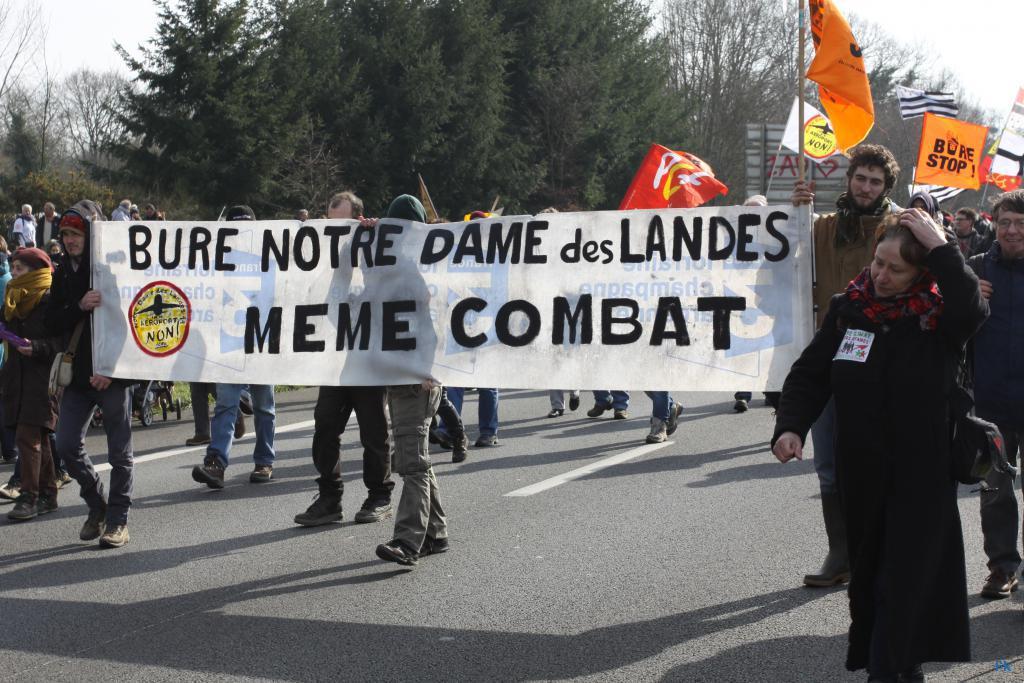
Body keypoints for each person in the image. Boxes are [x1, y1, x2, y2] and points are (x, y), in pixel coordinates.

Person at [772, 209, 986, 681]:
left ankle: (887, 674)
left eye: (896, 268)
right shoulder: (849, 309)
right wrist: (791, 426)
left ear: (922, 272)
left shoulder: (941, 318)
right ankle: (900, 669)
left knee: (904, 583)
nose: (881, 275)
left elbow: (973, 306)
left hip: (922, 477)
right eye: (877, 262)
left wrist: (941, 246)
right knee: (871, 583)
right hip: (863, 474)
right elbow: (810, 374)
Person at [790, 143, 901, 588]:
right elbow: (784, 260)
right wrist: (796, 212)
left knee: (882, 460)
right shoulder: (824, 227)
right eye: (860, 178)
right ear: (849, 178)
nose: (866, 187)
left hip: (883, 363)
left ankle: (884, 551)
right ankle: (841, 555)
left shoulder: (900, 229)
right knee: (829, 464)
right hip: (831, 356)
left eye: (875, 181)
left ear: (885, 187)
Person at [293, 190, 395, 527]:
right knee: (325, 424)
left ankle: (379, 494)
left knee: (373, 429)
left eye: (343, 224)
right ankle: (329, 497)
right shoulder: (324, 250)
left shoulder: (374, 244)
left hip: (368, 351)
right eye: (330, 222)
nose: (335, 230)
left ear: (358, 219)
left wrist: (376, 234)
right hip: (336, 354)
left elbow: (390, 275)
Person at [46, 200, 135, 548]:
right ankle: (97, 505)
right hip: (80, 375)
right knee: (65, 444)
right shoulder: (63, 271)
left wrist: (112, 370)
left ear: (91, 233)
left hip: (113, 374)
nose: (70, 240)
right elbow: (51, 321)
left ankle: (118, 521)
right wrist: (77, 306)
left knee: (120, 453)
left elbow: (133, 324)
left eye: (76, 233)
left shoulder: (116, 267)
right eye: (65, 234)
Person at [374, 195, 448, 567]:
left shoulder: (417, 274)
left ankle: (407, 540)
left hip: (416, 380)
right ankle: (436, 532)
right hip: (405, 376)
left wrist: (426, 370)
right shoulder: (404, 267)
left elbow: (431, 330)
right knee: (417, 459)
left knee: (412, 463)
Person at [191, 205, 276, 488]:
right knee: (225, 404)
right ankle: (216, 462)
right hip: (228, 340)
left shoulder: (270, 255)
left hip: (262, 340)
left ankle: (264, 460)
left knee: (264, 405)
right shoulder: (217, 261)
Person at [968, 189, 1024, 600]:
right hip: (989, 407)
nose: (1012, 230)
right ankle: (1002, 568)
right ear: (994, 223)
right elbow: (948, 328)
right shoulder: (973, 270)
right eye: (1005, 222)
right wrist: (969, 300)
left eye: (1021, 223)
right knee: (995, 494)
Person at [2, 248, 61, 521]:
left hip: (43, 377)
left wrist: (35, 347)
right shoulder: (13, 297)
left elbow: (62, 342)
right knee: (40, 437)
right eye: (13, 267)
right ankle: (48, 493)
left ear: (36, 272)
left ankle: (29, 496)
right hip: (16, 375)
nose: (14, 273)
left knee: (28, 437)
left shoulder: (50, 301)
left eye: (20, 269)